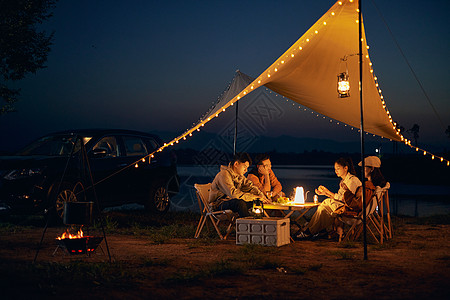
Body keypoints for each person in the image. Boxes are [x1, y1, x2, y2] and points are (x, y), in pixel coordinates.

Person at [296, 157, 362, 240]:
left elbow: (347, 200)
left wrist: (328, 192)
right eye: (335, 169)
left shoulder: (352, 180)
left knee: (325, 203)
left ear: (346, 168)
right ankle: (313, 230)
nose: (336, 171)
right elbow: (338, 197)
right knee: (323, 208)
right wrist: (325, 193)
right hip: (343, 207)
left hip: (350, 210)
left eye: (338, 168)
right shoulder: (343, 181)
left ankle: (309, 231)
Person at [209, 152, 269, 217]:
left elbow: (250, 187)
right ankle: (246, 225)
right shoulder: (224, 174)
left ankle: (260, 224)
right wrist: (255, 197)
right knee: (240, 203)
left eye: (247, 168)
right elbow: (234, 194)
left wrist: (261, 196)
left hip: (232, 202)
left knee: (257, 202)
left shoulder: (239, 176)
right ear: (236, 164)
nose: (246, 170)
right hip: (219, 204)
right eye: (244, 167)